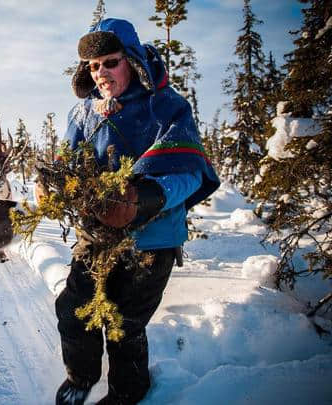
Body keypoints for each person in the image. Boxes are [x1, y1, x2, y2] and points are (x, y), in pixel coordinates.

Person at [37, 19, 220, 404]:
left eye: (110, 61)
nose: (101, 73)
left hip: (152, 238)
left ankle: (127, 391)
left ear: (132, 60)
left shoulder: (167, 107)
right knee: (73, 309)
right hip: (96, 233)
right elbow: (66, 162)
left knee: (125, 324)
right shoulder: (82, 112)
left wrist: (146, 198)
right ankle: (81, 375)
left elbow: (188, 173)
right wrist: (51, 183)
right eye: (93, 65)